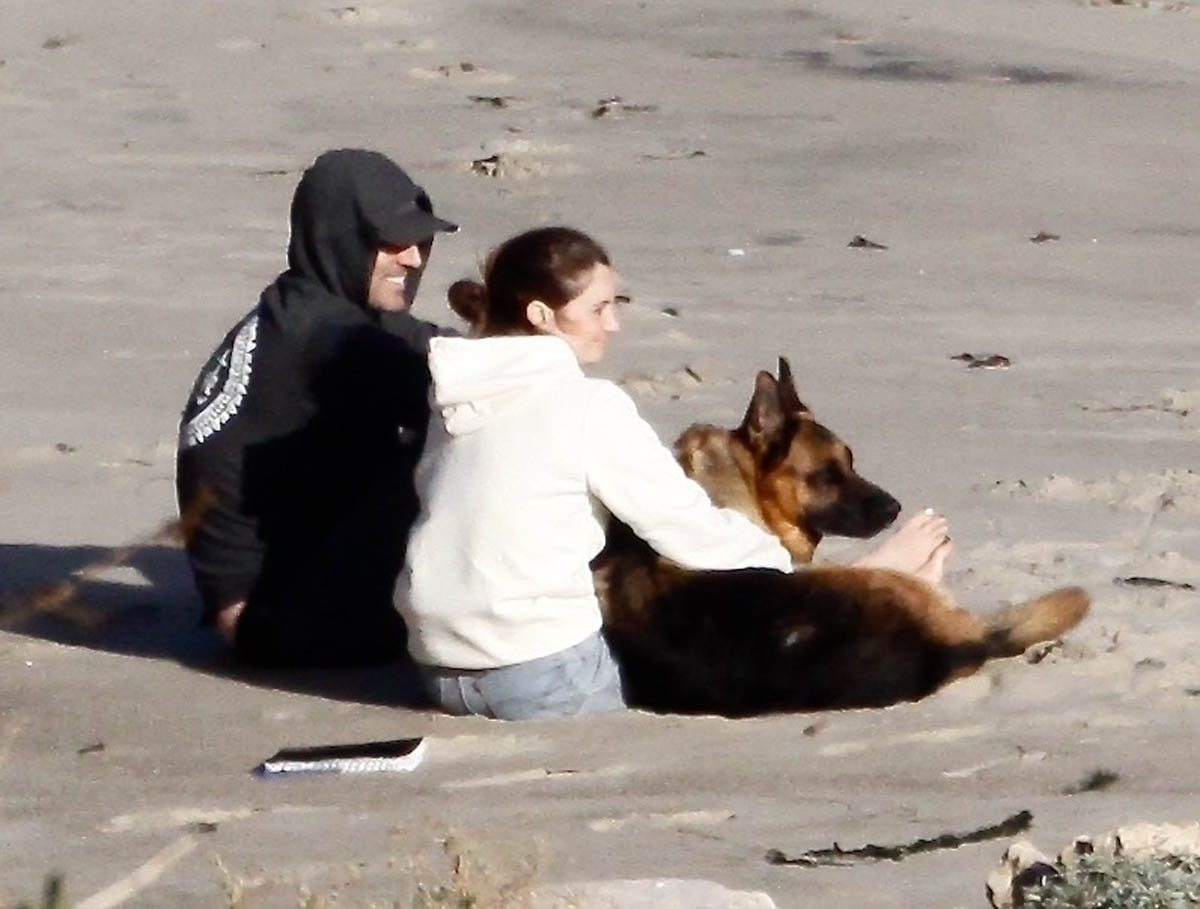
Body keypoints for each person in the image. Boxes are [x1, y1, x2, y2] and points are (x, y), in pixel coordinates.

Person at [394, 226, 952, 720]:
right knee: (728, 670)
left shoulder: (454, 398)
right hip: (538, 678)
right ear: (542, 316)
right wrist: (809, 574)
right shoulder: (587, 406)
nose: (613, 324)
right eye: (597, 309)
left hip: (437, 671)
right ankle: (878, 587)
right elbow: (691, 534)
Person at [175, 148, 457, 667]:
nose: (414, 257)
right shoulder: (328, 340)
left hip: (260, 589)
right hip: (276, 622)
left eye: (421, 239)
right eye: (391, 241)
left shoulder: (301, 306)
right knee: (468, 449)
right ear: (340, 238)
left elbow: (433, 347)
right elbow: (491, 386)